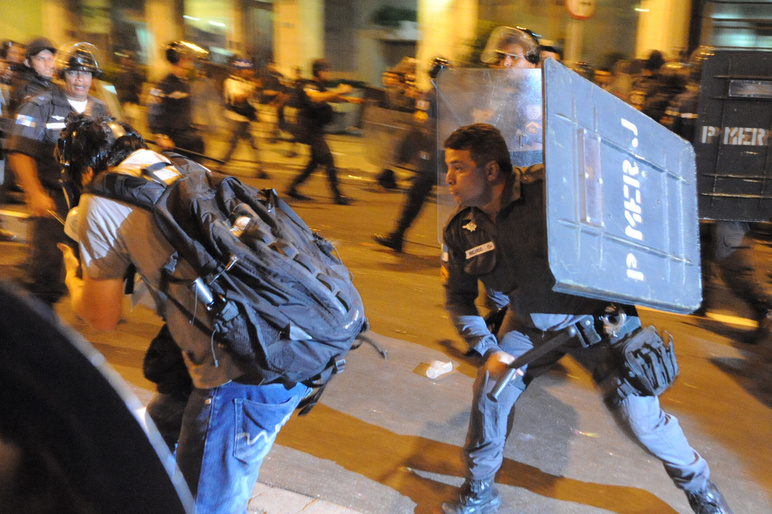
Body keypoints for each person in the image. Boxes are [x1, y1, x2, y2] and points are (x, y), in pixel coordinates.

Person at [439, 123, 733, 514]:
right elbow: (458, 299)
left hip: (597, 322)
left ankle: (701, 488)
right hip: (528, 325)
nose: (448, 178)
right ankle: (479, 489)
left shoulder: (552, 189)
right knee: (491, 391)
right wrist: (487, 347)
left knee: (640, 420)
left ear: (490, 170)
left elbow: (629, 218)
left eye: (458, 167)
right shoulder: (463, 230)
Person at [56, 114, 310, 513]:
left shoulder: (99, 199)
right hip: (289, 337)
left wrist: (74, 277)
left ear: (85, 170)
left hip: (243, 369)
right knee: (156, 440)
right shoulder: (179, 167)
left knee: (205, 505)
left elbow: (103, 316)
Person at [6, 42, 108, 305]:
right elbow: (20, 152)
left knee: (92, 270)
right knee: (45, 276)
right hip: (52, 202)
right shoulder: (39, 105)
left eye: (86, 73)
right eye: (74, 73)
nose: (80, 79)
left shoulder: (99, 110)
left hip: (88, 202)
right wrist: (35, 193)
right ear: (63, 75)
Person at [286, 58, 361, 205]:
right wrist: (340, 90)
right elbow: (317, 98)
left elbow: (329, 97)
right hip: (308, 129)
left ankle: (292, 188)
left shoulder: (319, 86)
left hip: (315, 129)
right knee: (328, 158)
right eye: (326, 71)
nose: (329, 74)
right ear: (319, 72)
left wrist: (349, 100)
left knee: (315, 162)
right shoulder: (309, 85)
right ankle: (337, 195)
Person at [147, 41, 207, 163]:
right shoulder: (164, 85)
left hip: (188, 139)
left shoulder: (184, 83)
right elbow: (154, 111)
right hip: (174, 142)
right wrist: (160, 136)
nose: (191, 63)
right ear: (180, 60)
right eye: (188, 58)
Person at [219, 57, 267, 178]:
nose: (251, 72)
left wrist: (256, 113)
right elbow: (238, 98)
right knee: (239, 143)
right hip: (234, 117)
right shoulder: (231, 82)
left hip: (244, 118)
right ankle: (259, 169)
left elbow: (250, 101)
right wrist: (253, 88)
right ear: (239, 70)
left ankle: (222, 165)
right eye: (247, 70)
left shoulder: (247, 82)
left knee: (240, 144)